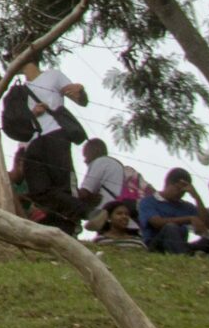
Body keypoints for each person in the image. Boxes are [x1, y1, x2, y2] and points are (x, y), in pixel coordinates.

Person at [9, 59, 91, 232]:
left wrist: (80, 90)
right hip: (32, 142)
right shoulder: (20, 89)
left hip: (55, 135)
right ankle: (82, 214)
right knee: (39, 191)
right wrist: (33, 113)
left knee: (63, 184)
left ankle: (72, 225)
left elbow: (80, 99)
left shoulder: (53, 76)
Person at [136, 169, 206, 255]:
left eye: (184, 191)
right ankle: (183, 259)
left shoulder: (187, 206)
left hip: (181, 245)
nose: (180, 193)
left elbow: (205, 224)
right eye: (178, 188)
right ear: (167, 184)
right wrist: (189, 219)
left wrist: (196, 197)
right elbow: (157, 222)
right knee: (170, 227)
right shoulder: (149, 201)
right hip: (155, 245)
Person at [76, 138, 129, 233]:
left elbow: (85, 192)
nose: (85, 160)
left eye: (86, 155)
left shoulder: (101, 161)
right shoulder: (116, 165)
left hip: (103, 211)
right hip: (114, 209)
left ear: (95, 151)